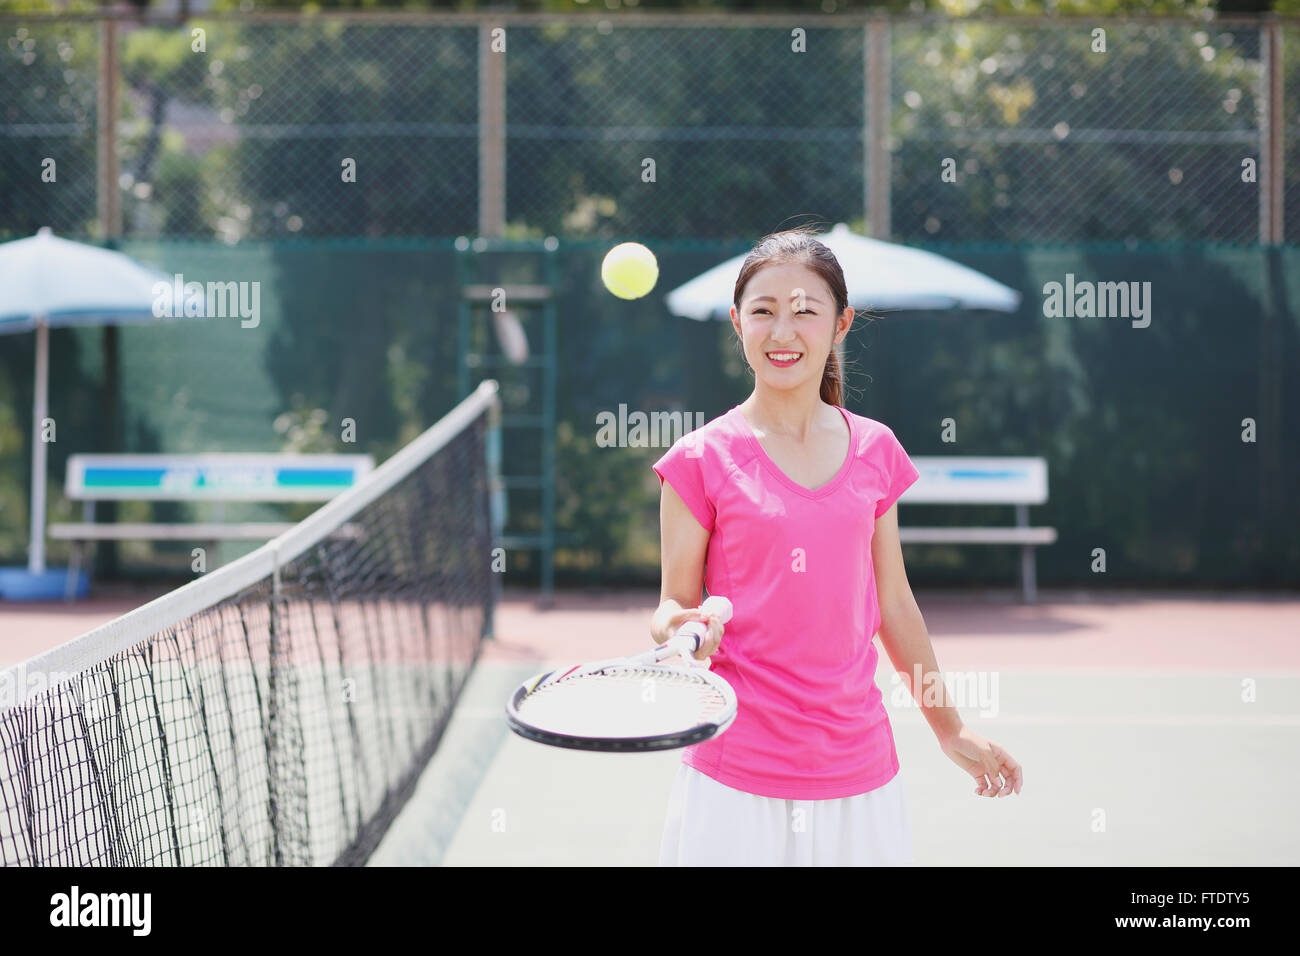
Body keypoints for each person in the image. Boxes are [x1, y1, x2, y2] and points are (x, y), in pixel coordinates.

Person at [650, 227, 1023, 866]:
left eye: (805, 312)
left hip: (859, 772)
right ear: (738, 323)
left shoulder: (876, 449)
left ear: (841, 323)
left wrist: (950, 729)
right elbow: (672, 607)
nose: (782, 331)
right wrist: (681, 628)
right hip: (735, 773)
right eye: (763, 312)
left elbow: (894, 606)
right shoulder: (699, 458)